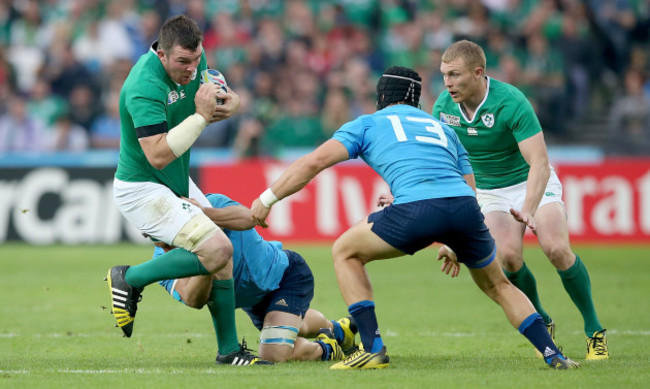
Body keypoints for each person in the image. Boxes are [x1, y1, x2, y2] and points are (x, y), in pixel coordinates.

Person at [250, 65, 579, 370]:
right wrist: (456, 241)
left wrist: (268, 198)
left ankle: (372, 348)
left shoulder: (368, 123)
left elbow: (313, 163)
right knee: (499, 285)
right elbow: (469, 186)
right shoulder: (442, 127)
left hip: (416, 209)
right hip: (465, 208)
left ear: (382, 96)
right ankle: (553, 354)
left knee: (345, 251)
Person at [106, 15, 270, 366]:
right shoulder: (143, 86)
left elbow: (224, 97)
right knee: (218, 247)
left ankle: (228, 351)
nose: (192, 68)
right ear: (162, 55)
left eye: (196, 60)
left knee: (217, 258)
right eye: (182, 62)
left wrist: (231, 103)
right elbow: (159, 155)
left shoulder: (194, 60)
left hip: (176, 180)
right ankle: (129, 278)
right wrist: (200, 116)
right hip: (143, 187)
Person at [432, 40, 608, 360]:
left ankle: (594, 331)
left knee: (555, 248)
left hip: (530, 181)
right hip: (489, 191)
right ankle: (542, 318)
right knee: (510, 257)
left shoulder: (511, 101)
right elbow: (445, 165)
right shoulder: (443, 107)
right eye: (444, 74)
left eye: (454, 75)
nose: (447, 83)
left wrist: (528, 208)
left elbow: (539, 162)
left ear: (478, 73)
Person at [153, 193, 359, 363]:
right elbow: (193, 299)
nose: (165, 247)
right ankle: (339, 330)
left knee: (273, 354)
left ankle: (327, 348)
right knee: (299, 325)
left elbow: (250, 218)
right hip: (254, 299)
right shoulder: (161, 261)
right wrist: (206, 255)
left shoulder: (211, 204)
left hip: (286, 275)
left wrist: (206, 217)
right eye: (155, 239)